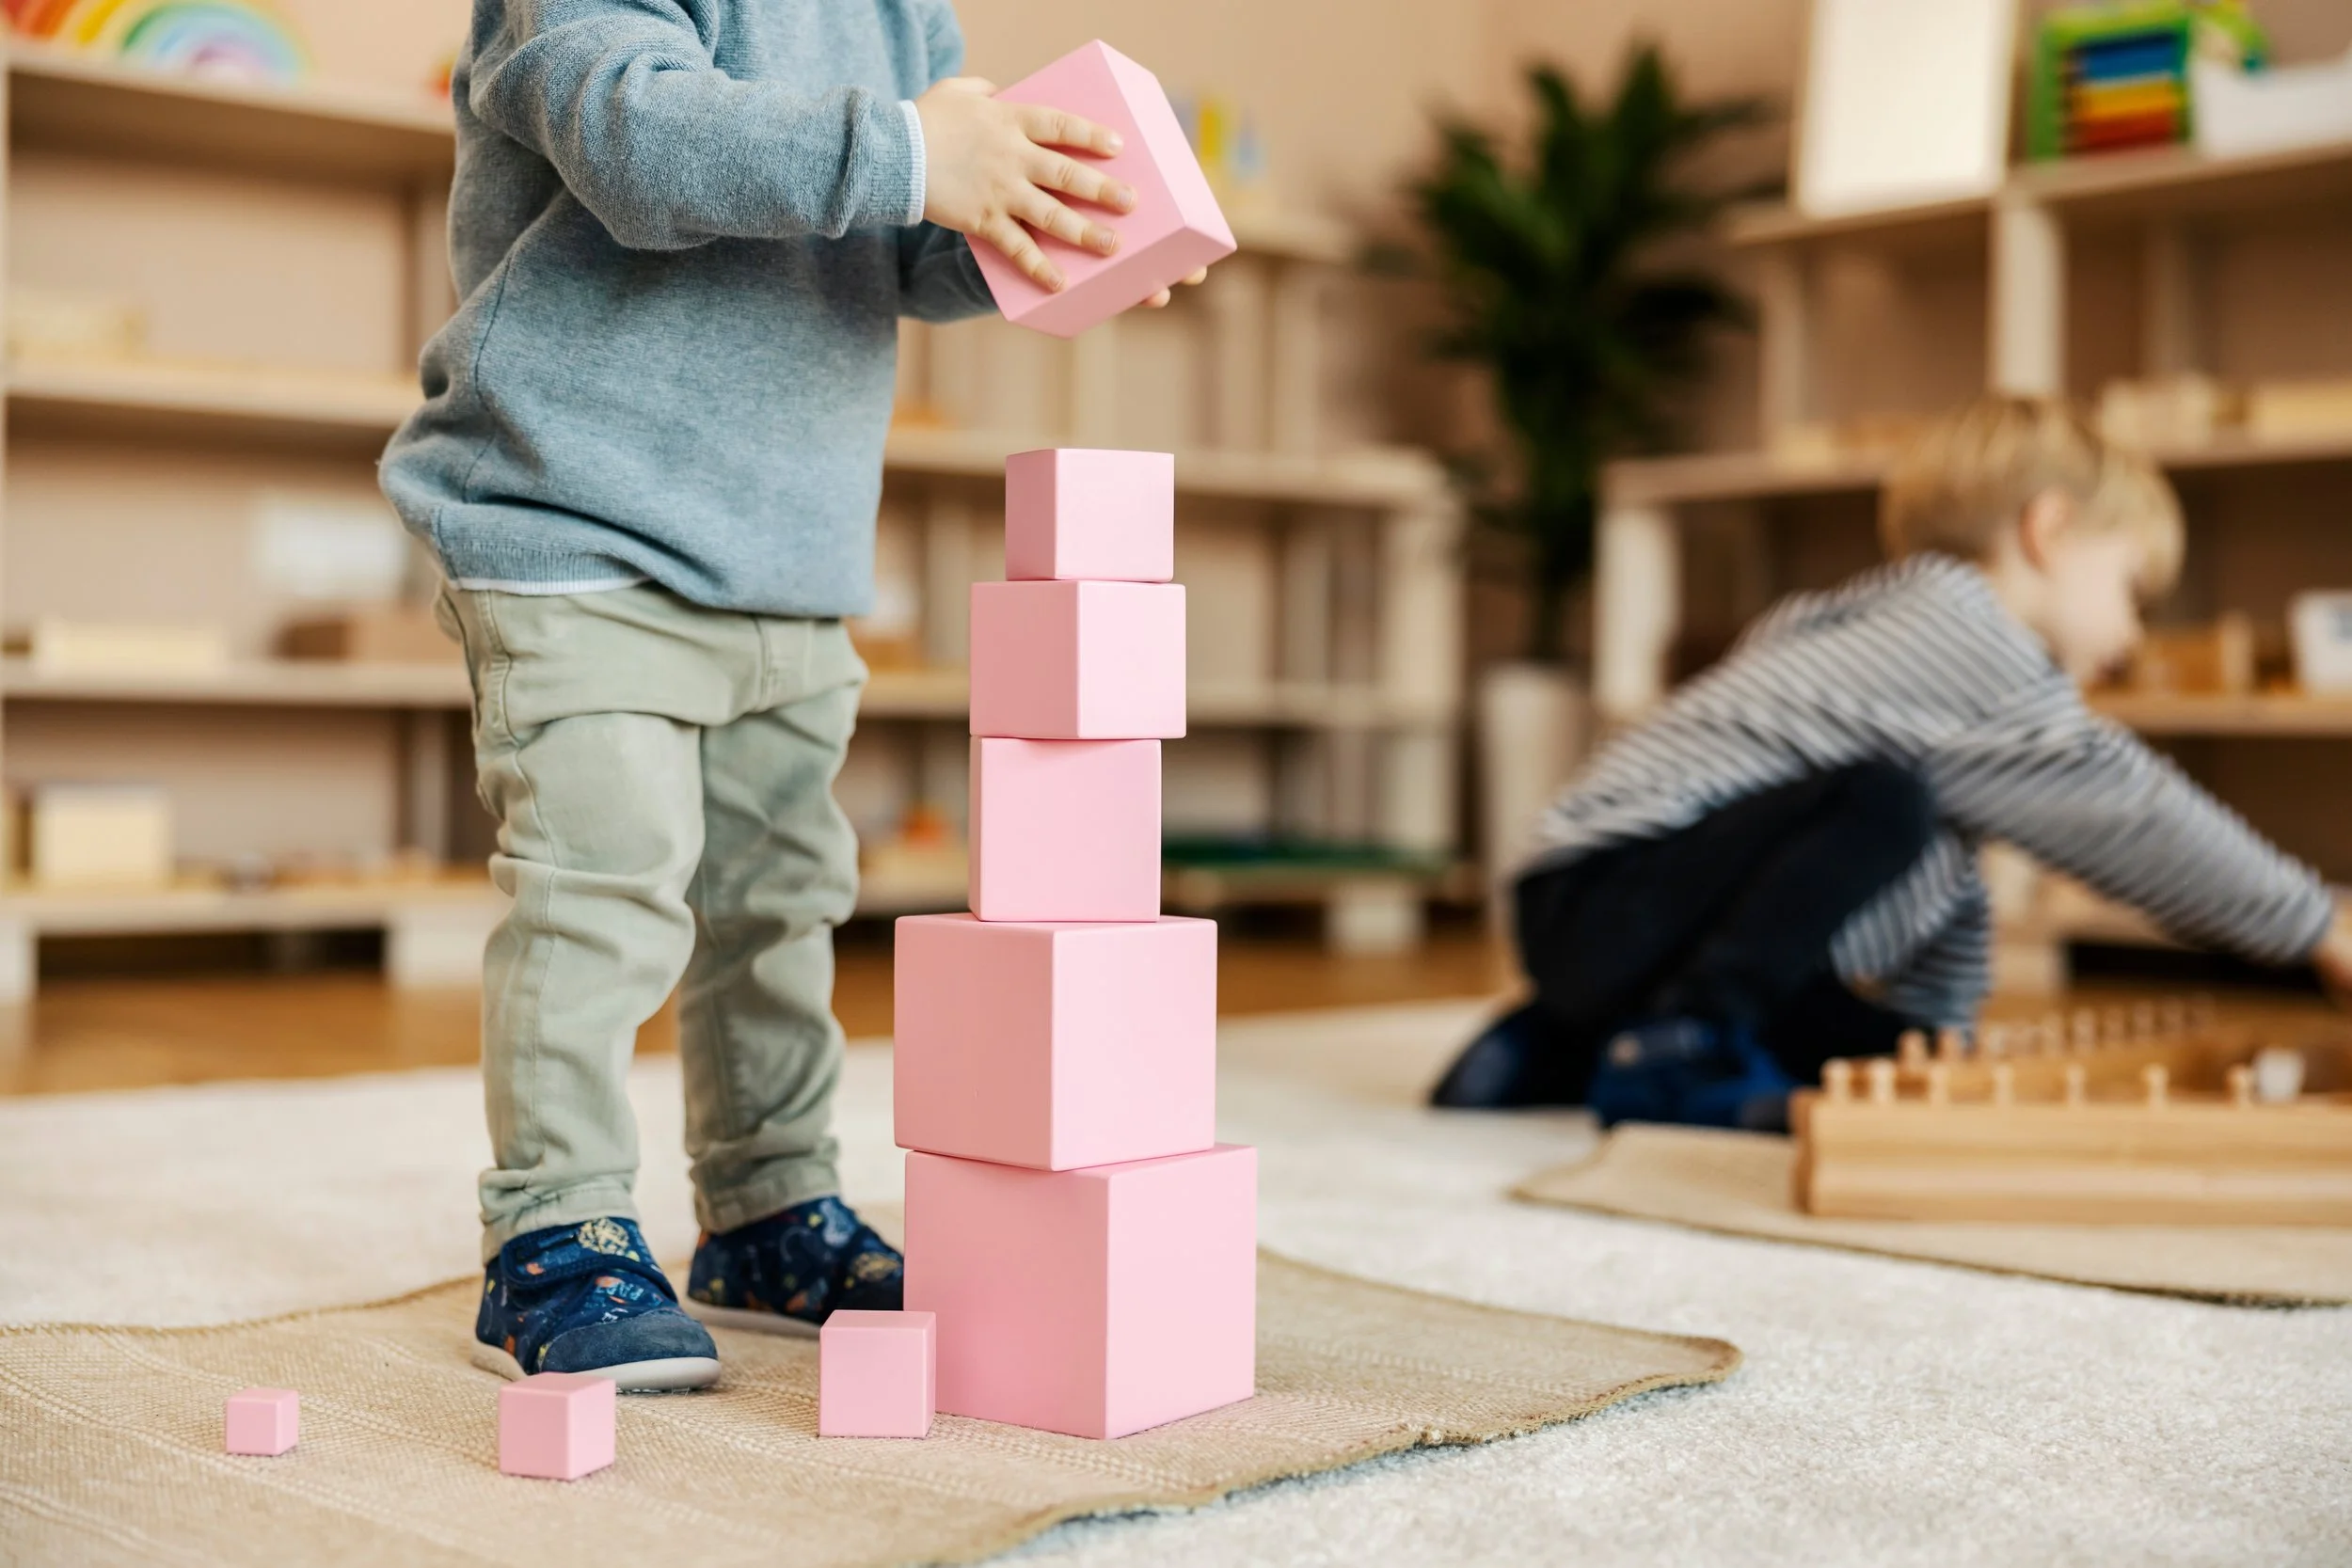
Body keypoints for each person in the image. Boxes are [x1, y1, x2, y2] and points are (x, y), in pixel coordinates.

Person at [380, 0, 1203, 1391]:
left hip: (785, 553)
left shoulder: (899, 14)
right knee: (600, 892)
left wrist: (1033, 226)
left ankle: (764, 1204)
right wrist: (909, 148)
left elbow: (900, 237)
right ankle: (555, 1226)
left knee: (778, 901)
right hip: (575, 521)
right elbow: (637, 140)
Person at [1434, 396, 2352, 1129]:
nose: (2132, 630)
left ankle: (1552, 1044)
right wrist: (2318, 922)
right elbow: (2127, 812)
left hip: (1613, 931)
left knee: (1867, 1030)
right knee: (1883, 802)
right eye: (2129, 586)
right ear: (2048, 530)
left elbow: (1953, 889)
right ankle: (1673, 1054)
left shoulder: (1867, 632)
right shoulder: (1963, 637)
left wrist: (1932, 1041)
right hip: (1603, 893)